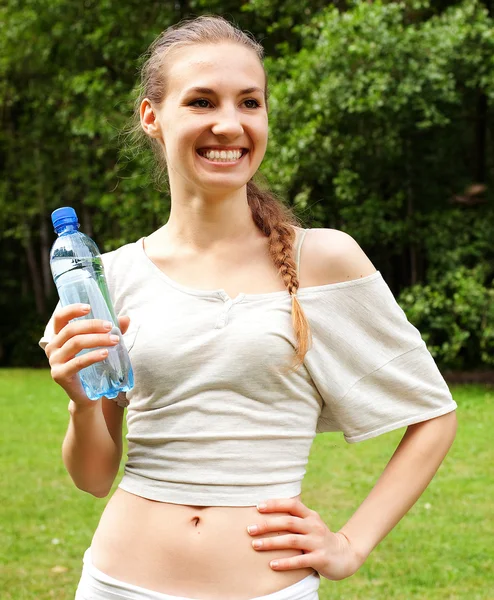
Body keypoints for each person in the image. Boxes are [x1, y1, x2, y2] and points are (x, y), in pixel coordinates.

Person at [39, 15, 458, 600]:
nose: (229, 124)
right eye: (202, 101)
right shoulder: (109, 275)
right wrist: (82, 406)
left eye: (250, 102)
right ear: (152, 117)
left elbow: (434, 413)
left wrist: (351, 544)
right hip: (116, 584)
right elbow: (92, 478)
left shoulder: (325, 257)